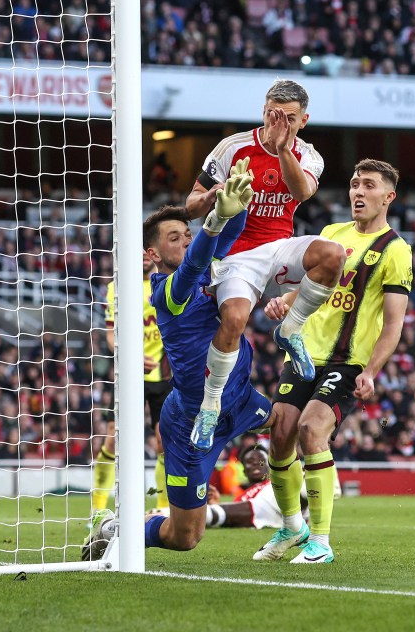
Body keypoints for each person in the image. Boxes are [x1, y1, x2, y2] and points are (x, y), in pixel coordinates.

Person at [83, 161, 276, 558]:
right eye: (175, 238)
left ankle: (297, 524)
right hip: (190, 423)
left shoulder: (205, 263)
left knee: (298, 422)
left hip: (236, 398)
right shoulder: (168, 290)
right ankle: (117, 527)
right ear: (152, 253)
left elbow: (226, 240)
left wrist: (236, 208)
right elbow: (196, 259)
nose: (186, 242)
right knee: (185, 537)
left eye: (188, 234)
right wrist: (215, 220)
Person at [254, 159, 411, 564]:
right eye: (355, 184)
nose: (358, 192)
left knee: (311, 430)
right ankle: (292, 526)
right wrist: (284, 301)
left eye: (369, 186)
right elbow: (313, 287)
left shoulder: (395, 250)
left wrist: (372, 371)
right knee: (281, 435)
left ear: (387, 197)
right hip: (305, 352)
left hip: (348, 360)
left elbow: (393, 324)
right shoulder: (330, 235)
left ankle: (320, 542)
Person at [183, 79, 345, 451]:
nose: (281, 124)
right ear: (263, 112)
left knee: (334, 255)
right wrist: (212, 196)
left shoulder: (307, 154)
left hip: (279, 248)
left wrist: (283, 149)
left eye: (290, 118)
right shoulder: (233, 147)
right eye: (275, 115)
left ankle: (291, 329)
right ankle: (210, 405)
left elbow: (301, 192)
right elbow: (190, 204)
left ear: (304, 120)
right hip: (237, 255)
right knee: (235, 321)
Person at [91, 250, 172, 516]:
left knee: (165, 440)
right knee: (113, 440)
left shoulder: (169, 283)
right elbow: (111, 337)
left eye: (146, 252)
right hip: (128, 374)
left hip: (165, 375)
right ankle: (98, 511)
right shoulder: (117, 287)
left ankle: (162, 507)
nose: (142, 258)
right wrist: (133, 355)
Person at [204, 444, 310, 530]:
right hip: (266, 512)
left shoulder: (273, 484)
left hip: (283, 496)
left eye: (261, 460)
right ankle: (194, 514)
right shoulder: (242, 498)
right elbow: (236, 516)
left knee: (299, 485)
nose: (255, 463)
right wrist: (216, 504)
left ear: (268, 465)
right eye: (250, 461)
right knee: (211, 514)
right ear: (244, 471)